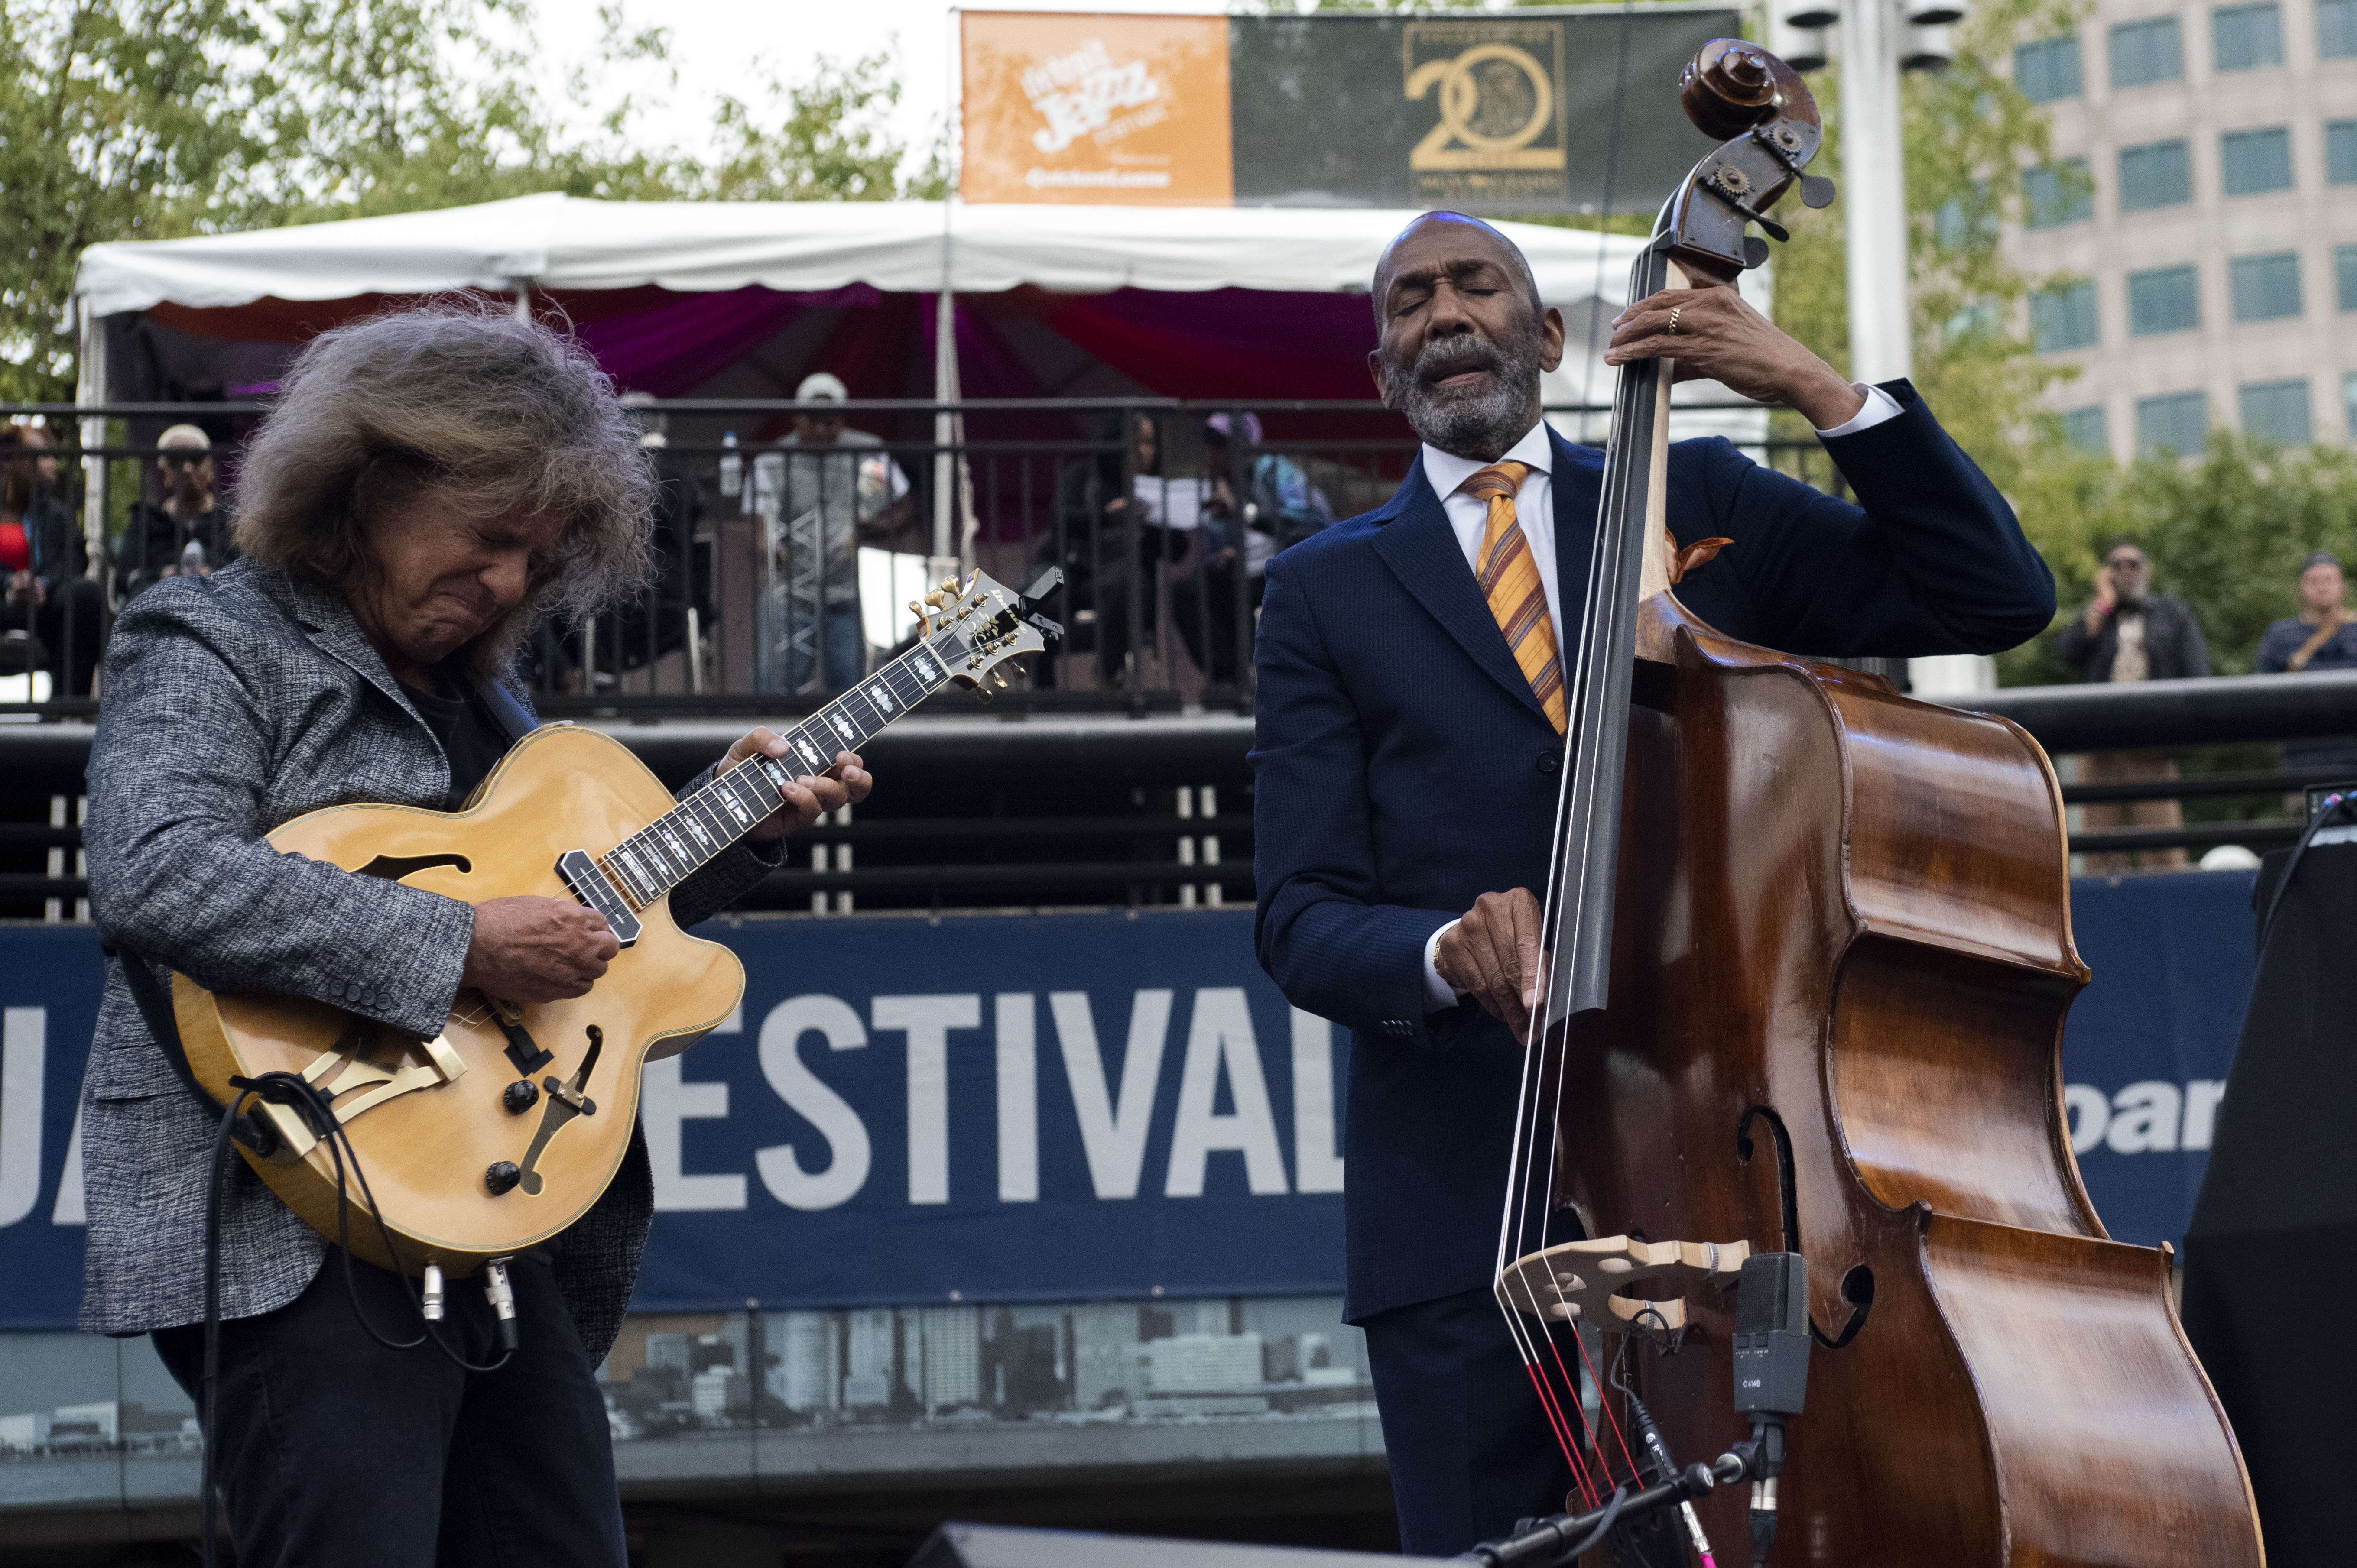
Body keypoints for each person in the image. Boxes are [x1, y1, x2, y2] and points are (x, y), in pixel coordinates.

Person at [1250, 212, 2055, 1556]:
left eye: (1476, 284)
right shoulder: (1320, 593)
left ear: (1548, 334)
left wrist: (1813, 386)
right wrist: (1446, 946)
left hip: (1740, 1165)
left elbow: (1991, 595)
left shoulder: (1705, 503)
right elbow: (1300, 917)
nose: (1442, 314)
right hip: (1470, 1191)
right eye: (1407, 302)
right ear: (1381, 368)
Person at [77, 303, 872, 1568]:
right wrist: (453, 943)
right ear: (371, 479)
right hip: (294, 1198)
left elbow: (575, 929)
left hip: (501, 1227)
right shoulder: (209, 635)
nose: (508, 584)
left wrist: (734, 835)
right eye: (490, 537)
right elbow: (151, 872)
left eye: (538, 560)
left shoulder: (490, 699)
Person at [750, 371, 914, 692]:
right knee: (773, 688)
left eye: (831, 420)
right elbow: (757, 526)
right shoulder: (771, 460)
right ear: (798, 419)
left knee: (853, 690)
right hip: (791, 592)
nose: (823, 429)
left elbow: (906, 505)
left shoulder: (869, 451)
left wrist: (870, 530)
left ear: (843, 419)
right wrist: (769, 550)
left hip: (852, 592)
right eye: (815, 420)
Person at [2053, 541, 2212, 871]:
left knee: (2163, 849)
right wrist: (2103, 605)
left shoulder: (2173, 613)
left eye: (2133, 564)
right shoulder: (2098, 615)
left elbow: (2198, 674)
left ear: (2147, 571)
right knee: (2102, 852)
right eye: (2116, 565)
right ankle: (2107, 920)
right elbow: (2068, 653)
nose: (2125, 571)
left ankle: (2168, 917)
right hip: (2100, 747)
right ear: (2105, 574)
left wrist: (2181, 734)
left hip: (2151, 744)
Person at [1173, 412, 1331, 688]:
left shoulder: (1274, 471)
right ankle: (1228, 679)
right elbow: (1217, 545)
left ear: (1244, 445)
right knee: (1192, 589)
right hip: (1247, 575)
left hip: (1291, 569)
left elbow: (1311, 524)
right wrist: (1222, 558)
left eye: (1220, 443)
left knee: (1243, 591)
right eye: (1208, 442)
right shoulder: (1220, 488)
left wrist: (1246, 513)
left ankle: (1246, 681)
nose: (1211, 451)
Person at [1039, 412, 1166, 687]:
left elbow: (1176, 548)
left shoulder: (1155, 492)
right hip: (1071, 568)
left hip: (1120, 581)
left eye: (1152, 443)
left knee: (1130, 585)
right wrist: (1107, 516)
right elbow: (1060, 520)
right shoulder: (1084, 473)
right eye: (1141, 442)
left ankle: (1107, 679)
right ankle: (1041, 693)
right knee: (1034, 595)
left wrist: (1150, 527)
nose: (1148, 451)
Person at [0, 424, 106, 695]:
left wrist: (42, 584)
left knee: (87, 595)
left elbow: (73, 563)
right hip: (4, 601)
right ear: (12, 459)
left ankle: (64, 710)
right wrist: (9, 584)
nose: (53, 464)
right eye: (43, 455)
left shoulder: (55, 513)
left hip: (44, 605)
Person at [2255, 550, 2357, 779]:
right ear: (2301, 587)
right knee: (2303, 814)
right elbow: (2261, 699)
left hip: (2354, 754)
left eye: (2329, 580)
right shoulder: (2280, 636)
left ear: (2342, 585)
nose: (2322, 587)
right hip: (2303, 760)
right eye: (2314, 581)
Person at [121, 424, 238, 594]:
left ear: (210, 468)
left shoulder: (231, 519)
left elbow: (246, 570)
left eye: (195, 458)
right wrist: (162, 575)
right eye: (176, 460)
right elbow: (125, 574)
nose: (187, 468)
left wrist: (212, 574)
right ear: (165, 472)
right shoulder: (147, 521)